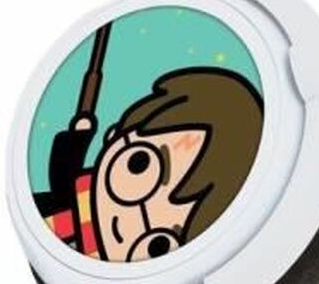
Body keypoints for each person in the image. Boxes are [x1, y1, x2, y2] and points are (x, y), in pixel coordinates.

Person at [35, 68, 263, 261]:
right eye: (138, 165)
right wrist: (79, 136)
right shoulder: (78, 192)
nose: (123, 225)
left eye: (159, 245)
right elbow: (61, 176)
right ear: (114, 135)